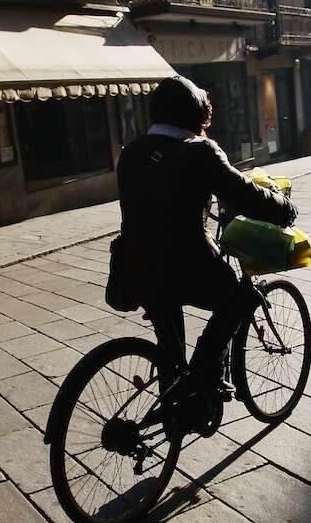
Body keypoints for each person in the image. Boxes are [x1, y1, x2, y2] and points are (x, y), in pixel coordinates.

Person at [112, 76, 296, 395]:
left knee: (171, 352)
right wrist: (284, 208)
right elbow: (245, 193)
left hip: (134, 266)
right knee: (238, 299)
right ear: (195, 113)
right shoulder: (200, 151)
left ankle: (176, 407)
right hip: (186, 264)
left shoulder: (131, 153)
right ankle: (206, 373)